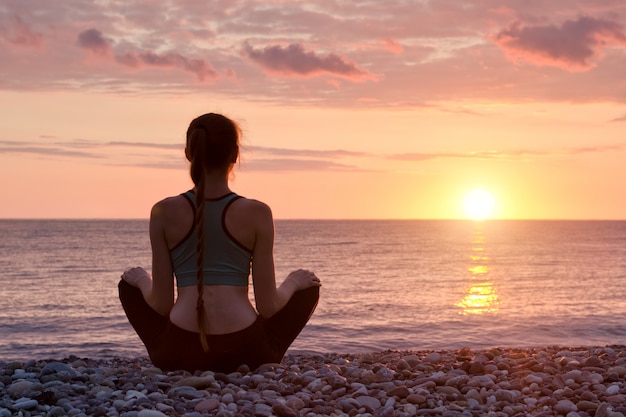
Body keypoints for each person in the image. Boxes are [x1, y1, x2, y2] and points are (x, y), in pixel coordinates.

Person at [119, 113, 320, 373]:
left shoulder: (162, 211)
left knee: (128, 284)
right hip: (247, 351)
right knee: (308, 284)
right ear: (235, 154)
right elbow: (268, 307)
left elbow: (161, 304)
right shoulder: (258, 212)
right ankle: (268, 360)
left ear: (189, 153)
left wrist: (141, 279)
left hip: (177, 352)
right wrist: (293, 281)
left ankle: (164, 357)